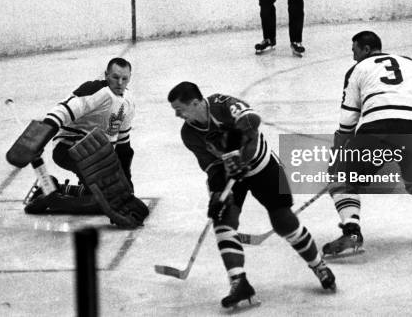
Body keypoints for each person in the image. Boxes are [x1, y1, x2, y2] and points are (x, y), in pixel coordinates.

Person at [167, 82, 335, 308]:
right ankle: (239, 283)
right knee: (223, 222)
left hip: (262, 165)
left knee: (283, 221)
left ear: (196, 103)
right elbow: (211, 167)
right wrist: (217, 193)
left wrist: (238, 151)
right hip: (229, 175)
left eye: (180, 109)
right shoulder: (188, 133)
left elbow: (252, 120)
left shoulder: (221, 104)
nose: (177, 115)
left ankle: (318, 266)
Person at [322, 31, 412, 256]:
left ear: (366, 49)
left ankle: (352, 233)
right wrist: (407, 107)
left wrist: (338, 154)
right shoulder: (407, 62)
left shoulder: (357, 70)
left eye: (354, 50)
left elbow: (348, 119)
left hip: (376, 130)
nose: (353, 56)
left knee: (342, 178)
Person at [17, 58, 148, 226]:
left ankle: (52, 188)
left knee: (113, 195)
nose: (120, 82)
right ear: (106, 75)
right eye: (115, 77)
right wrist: (40, 139)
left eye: (124, 78)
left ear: (130, 77)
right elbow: (62, 111)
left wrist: (126, 183)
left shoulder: (128, 101)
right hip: (70, 148)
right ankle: (51, 201)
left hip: (97, 156)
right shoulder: (96, 91)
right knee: (103, 202)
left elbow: (123, 145)